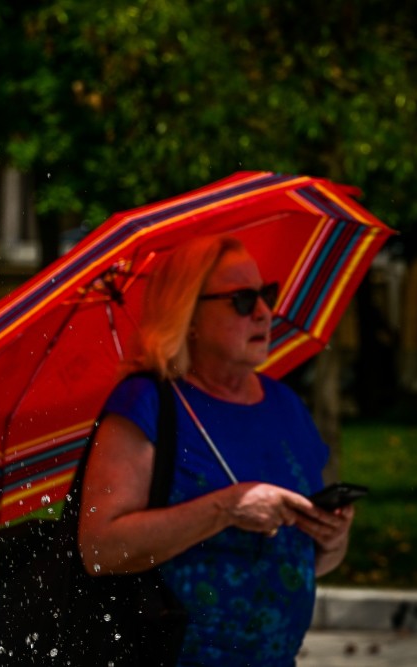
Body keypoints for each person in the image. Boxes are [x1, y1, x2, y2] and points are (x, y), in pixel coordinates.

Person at [78, 234, 354, 666]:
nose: (264, 312)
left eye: (266, 294)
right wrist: (226, 508)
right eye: (243, 300)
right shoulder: (146, 403)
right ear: (188, 314)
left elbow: (302, 558)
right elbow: (100, 549)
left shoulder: (286, 406)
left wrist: (331, 540)